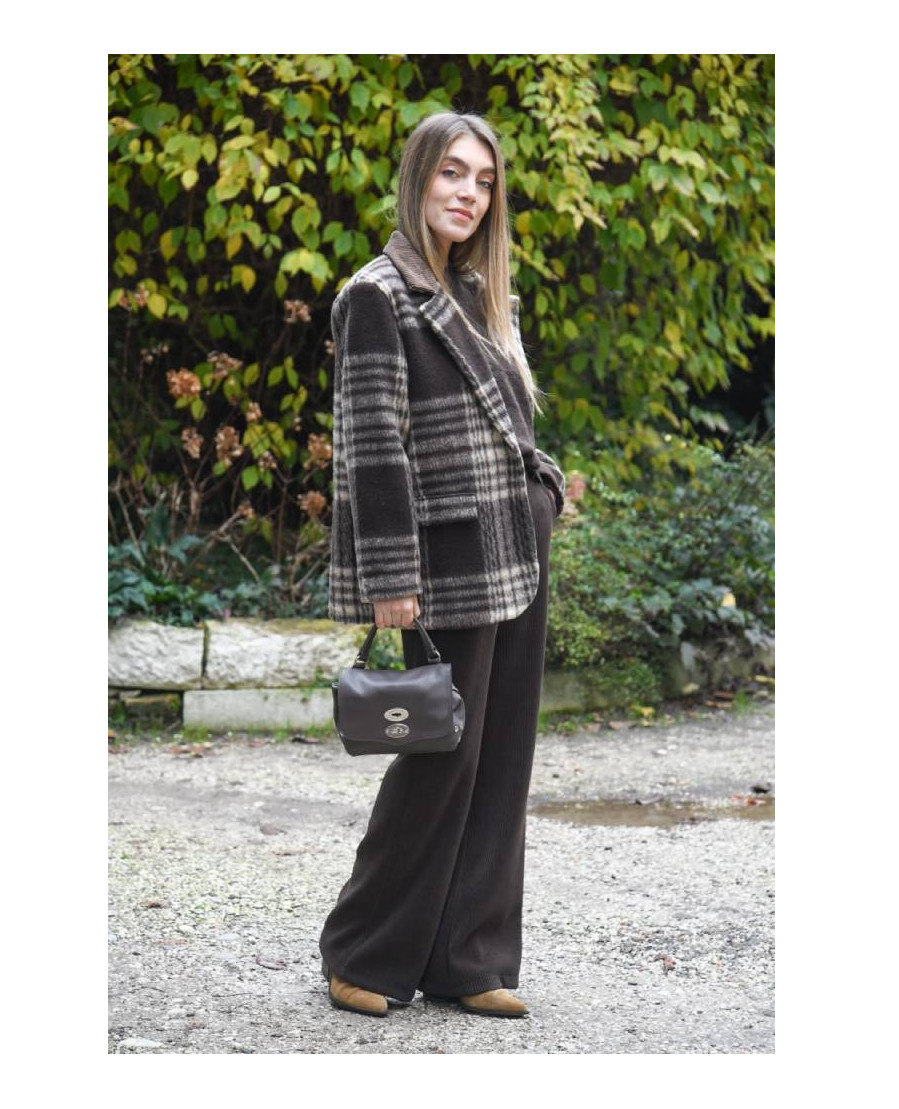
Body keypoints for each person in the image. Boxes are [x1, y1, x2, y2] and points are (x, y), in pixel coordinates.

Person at [319, 110, 566, 1019]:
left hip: (515, 548)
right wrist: (390, 579)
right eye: (452, 172)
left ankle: (470, 958)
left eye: (484, 180)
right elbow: (373, 446)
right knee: (437, 759)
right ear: (418, 177)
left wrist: (544, 491)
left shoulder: (476, 291)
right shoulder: (376, 294)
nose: (468, 192)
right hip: (442, 560)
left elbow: (503, 427)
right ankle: (364, 951)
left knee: (501, 760)